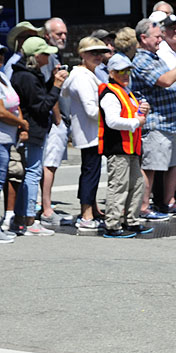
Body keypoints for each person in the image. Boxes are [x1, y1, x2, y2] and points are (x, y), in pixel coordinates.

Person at [131, 16, 176, 220]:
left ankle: (169, 202)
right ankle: (143, 206)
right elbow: (166, 81)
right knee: (151, 167)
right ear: (143, 37)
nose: (160, 40)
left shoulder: (156, 57)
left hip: (172, 122)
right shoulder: (140, 59)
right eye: (156, 37)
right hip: (157, 122)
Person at [9, 36, 67, 236]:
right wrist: (57, 85)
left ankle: (21, 219)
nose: (48, 57)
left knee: (28, 173)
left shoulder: (25, 74)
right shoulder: (27, 77)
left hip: (31, 130)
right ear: (35, 56)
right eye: (44, 53)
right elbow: (42, 106)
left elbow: (38, 99)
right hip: (32, 130)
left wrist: (52, 79)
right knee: (33, 173)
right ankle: (30, 220)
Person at [61, 37, 111, 231]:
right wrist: (113, 114)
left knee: (93, 172)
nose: (98, 56)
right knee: (90, 172)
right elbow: (91, 110)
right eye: (93, 53)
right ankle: (86, 214)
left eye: (100, 52)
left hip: (94, 131)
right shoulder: (81, 76)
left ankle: (93, 208)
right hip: (90, 132)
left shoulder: (89, 73)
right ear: (82, 54)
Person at [99, 53, 151, 238]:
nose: (126, 74)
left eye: (128, 71)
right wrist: (136, 121)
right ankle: (112, 225)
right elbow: (112, 121)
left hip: (132, 148)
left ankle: (132, 220)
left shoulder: (126, 92)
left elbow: (131, 112)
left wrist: (142, 111)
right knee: (119, 186)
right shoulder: (109, 93)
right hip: (118, 148)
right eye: (121, 71)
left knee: (137, 184)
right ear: (111, 73)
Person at [39, 17, 70, 229]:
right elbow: (48, 90)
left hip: (57, 118)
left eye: (64, 33)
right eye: (59, 34)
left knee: (51, 164)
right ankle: (46, 209)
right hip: (51, 120)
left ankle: (44, 205)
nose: (63, 37)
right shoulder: (46, 58)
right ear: (47, 35)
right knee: (49, 164)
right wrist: (58, 118)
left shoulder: (53, 56)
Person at [0, 64, 27, 243]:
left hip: (7, 139)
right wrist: (22, 123)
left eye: (2, 55)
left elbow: (15, 104)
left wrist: (20, 123)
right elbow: (1, 111)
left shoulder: (3, 77)